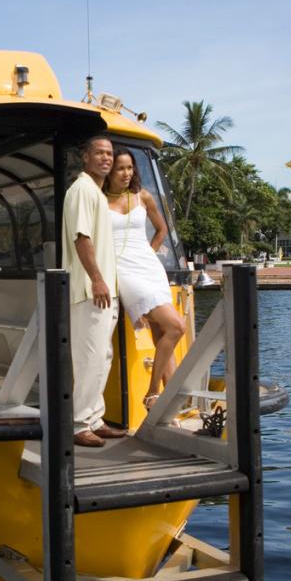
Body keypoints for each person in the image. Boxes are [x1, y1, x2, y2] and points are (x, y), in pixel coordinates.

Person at [104, 148, 187, 407]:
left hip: (149, 267)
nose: (126, 173)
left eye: (130, 168)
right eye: (120, 168)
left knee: (162, 333)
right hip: (124, 270)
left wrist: (149, 252)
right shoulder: (99, 200)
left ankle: (169, 405)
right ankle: (152, 393)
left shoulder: (143, 196)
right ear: (110, 171)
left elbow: (162, 229)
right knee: (176, 327)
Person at [61, 135, 129, 447]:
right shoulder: (82, 190)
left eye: (109, 153)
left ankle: (94, 418)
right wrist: (98, 279)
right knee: (89, 358)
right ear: (85, 157)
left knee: (103, 357)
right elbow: (81, 238)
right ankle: (78, 424)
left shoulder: (97, 193)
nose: (106, 158)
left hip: (104, 291)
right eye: (99, 153)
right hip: (90, 290)